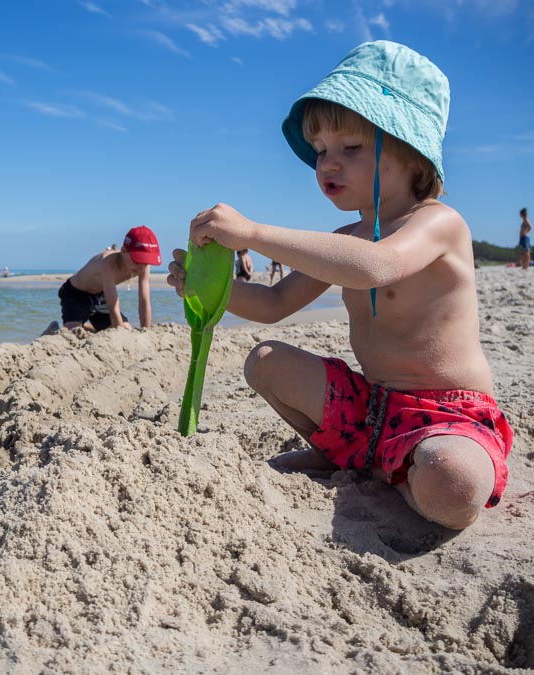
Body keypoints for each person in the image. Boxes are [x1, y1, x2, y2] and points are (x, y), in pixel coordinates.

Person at [167, 41, 513, 530]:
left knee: (451, 482)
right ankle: (365, 458)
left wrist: (254, 234)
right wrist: (204, 289)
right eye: (320, 151)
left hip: (448, 416)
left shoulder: (438, 223)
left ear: (413, 155)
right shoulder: (346, 238)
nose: (327, 164)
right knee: (265, 361)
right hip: (374, 406)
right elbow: (273, 302)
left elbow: (376, 266)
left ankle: (388, 469)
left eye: (350, 148)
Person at [47, 226, 161, 333]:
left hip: (101, 295)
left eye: (145, 262)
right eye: (137, 260)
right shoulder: (108, 262)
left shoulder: (144, 266)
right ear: (124, 251)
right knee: (73, 333)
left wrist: (146, 331)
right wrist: (119, 331)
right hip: (76, 294)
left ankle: (89, 329)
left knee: (127, 329)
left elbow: (144, 301)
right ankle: (53, 330)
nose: (141, 267)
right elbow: (113, 306)